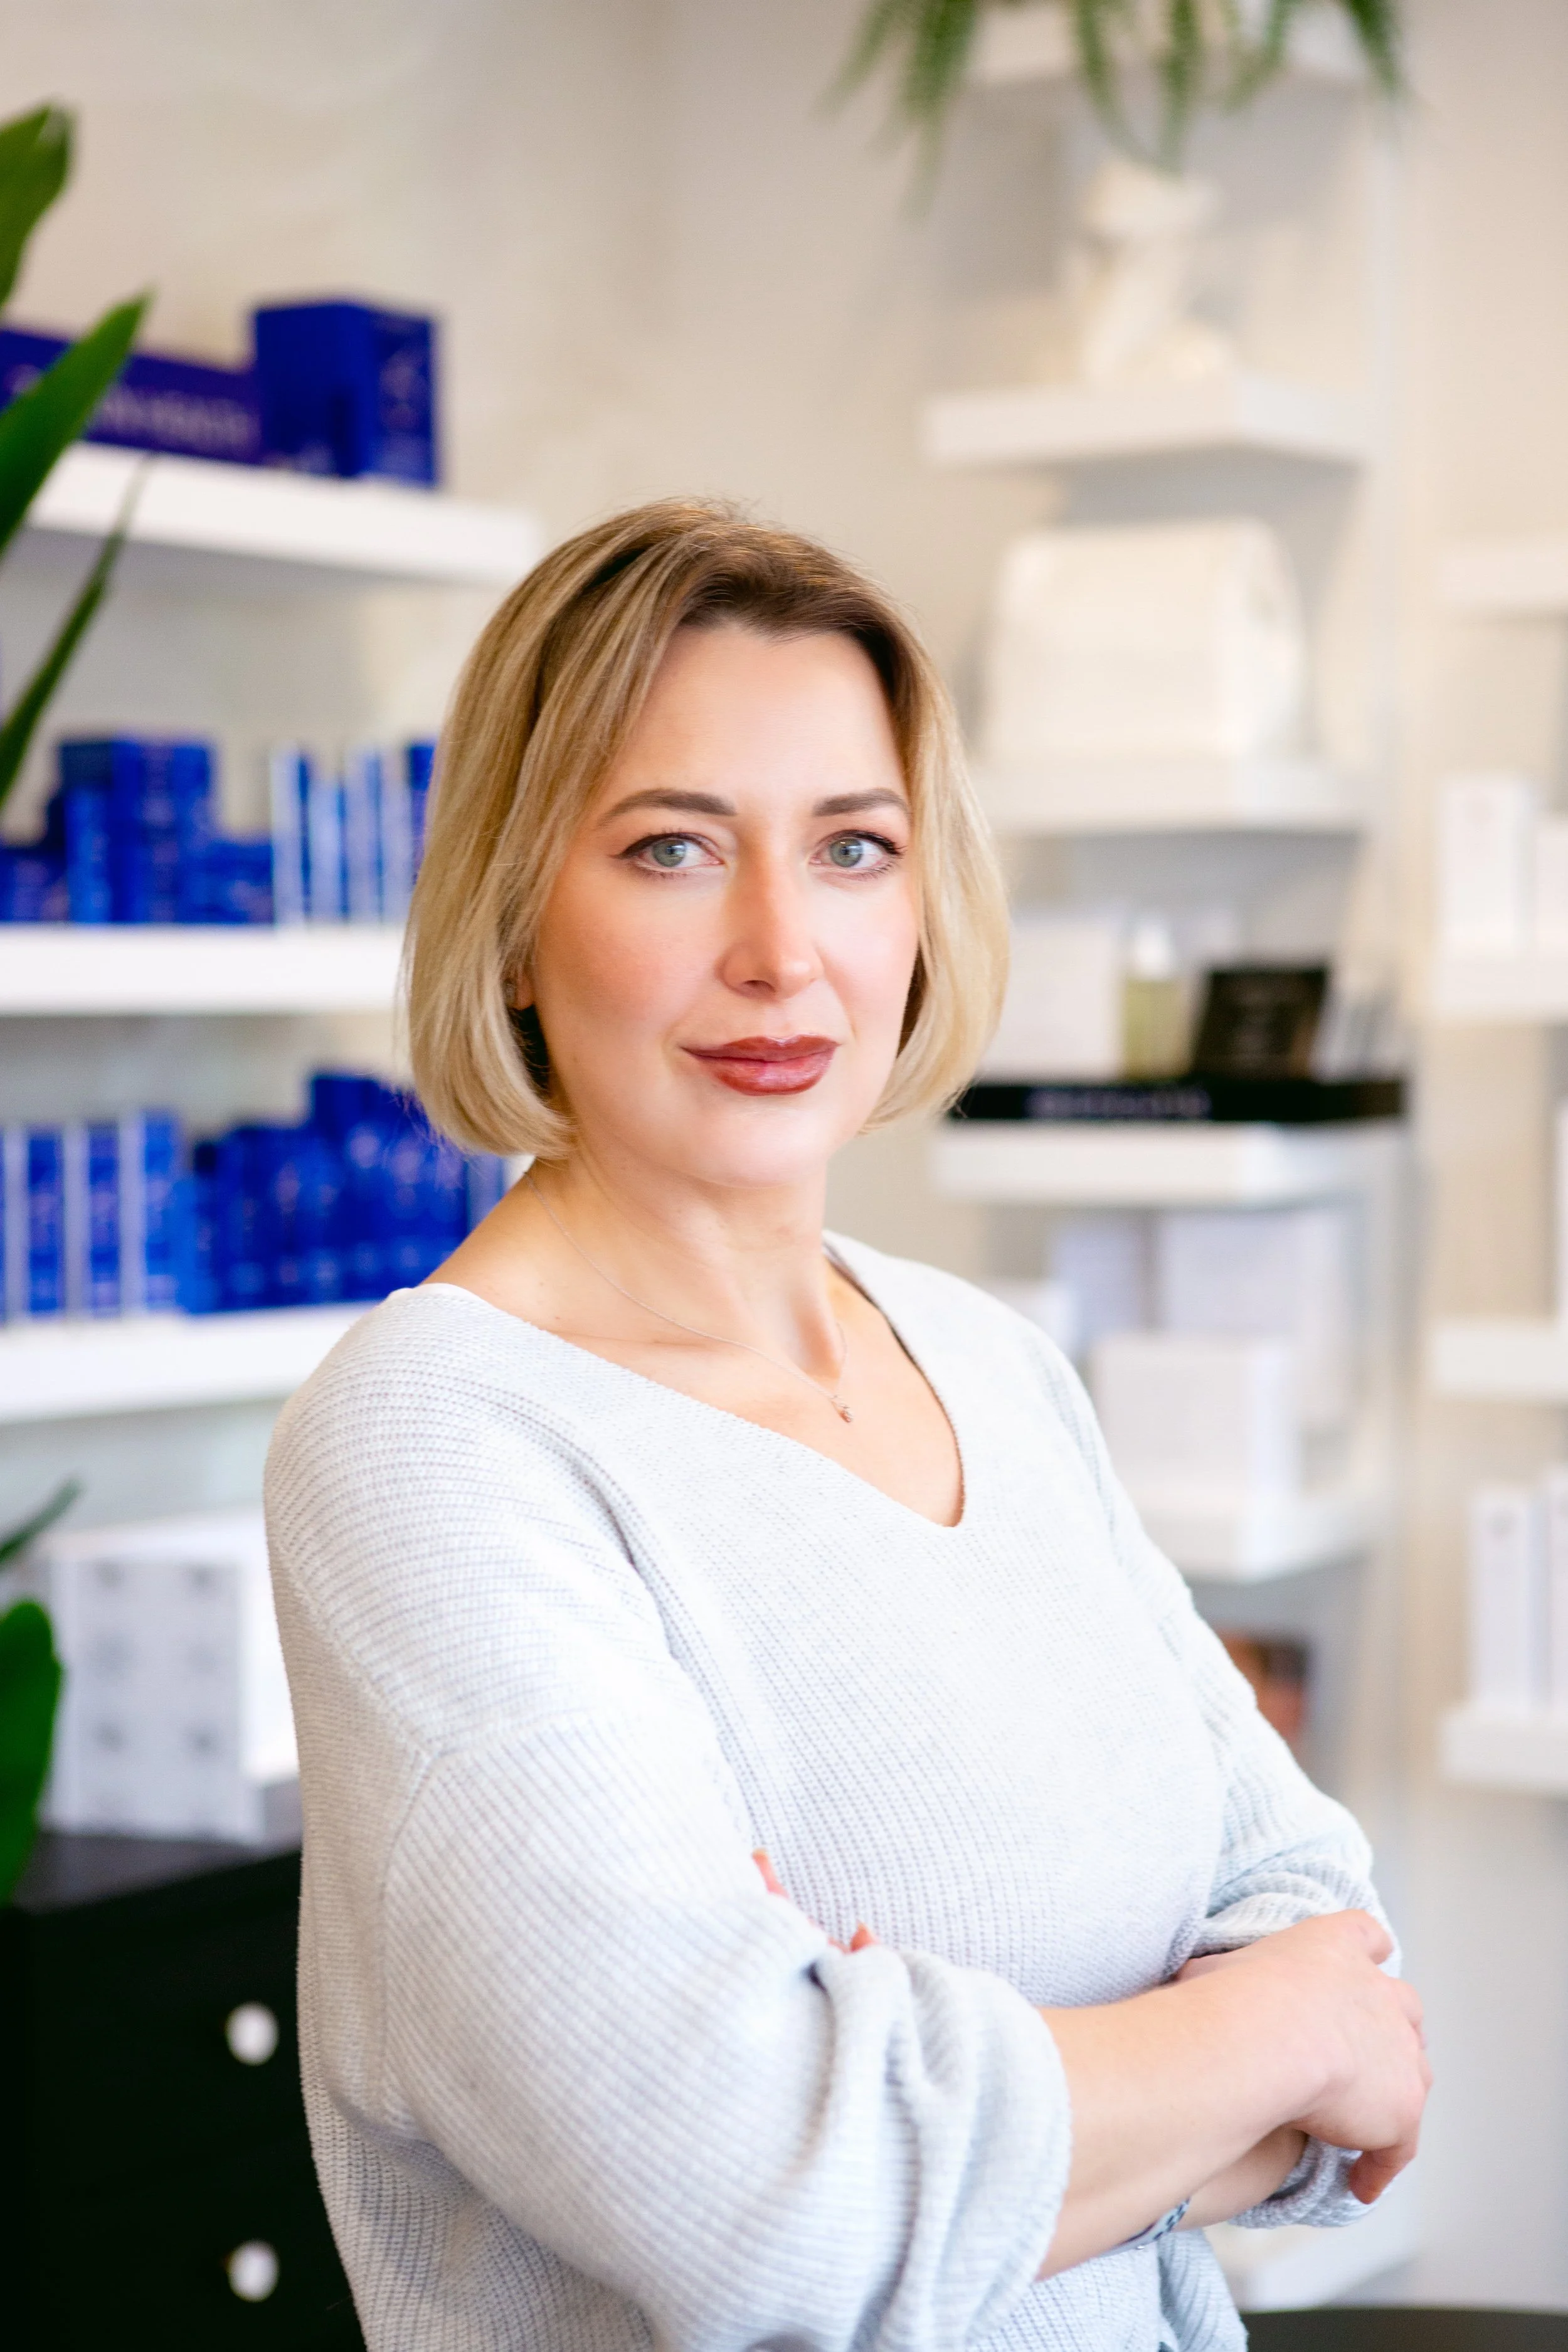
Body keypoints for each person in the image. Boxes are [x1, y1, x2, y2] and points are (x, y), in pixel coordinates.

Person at [266, 499, 1429, 2352]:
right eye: (668, 848)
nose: (779, 947)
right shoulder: (433, 1446)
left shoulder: (990, 1363)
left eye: (853, 847)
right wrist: (1252, 2038)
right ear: (507, 915)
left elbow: (1329, 1937)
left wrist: (947, 2121)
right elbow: (759, 2204)